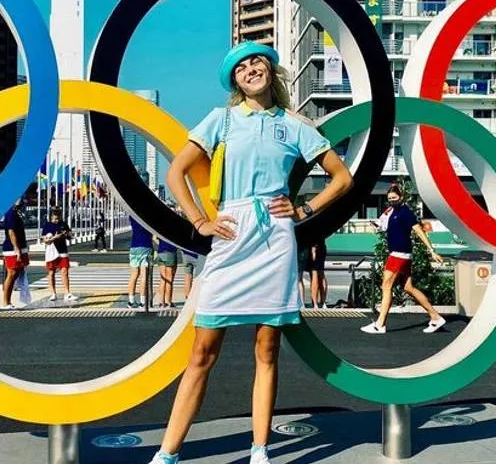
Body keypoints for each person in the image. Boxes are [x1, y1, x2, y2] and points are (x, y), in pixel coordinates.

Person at [146, 41, 352, 464]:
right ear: (235, 82)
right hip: (231, 232)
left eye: (256, 60)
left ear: (270, 71)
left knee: (267, 348)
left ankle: (260, 451)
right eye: (240, 66)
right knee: (203, 349)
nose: (249, 67)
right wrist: (200, 221)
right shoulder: (220, 119)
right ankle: (168, 453)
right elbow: (175, 172)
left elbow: (341, 177)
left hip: (275, 238)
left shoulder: (295, 125)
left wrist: (305, 208)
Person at [361, 184, 447, 335]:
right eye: (389, 199)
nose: (392, 201)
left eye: (394, 198)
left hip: (399, 254)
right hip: (401, 254)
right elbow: (385, 226)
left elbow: (419, 230)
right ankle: (435, 317)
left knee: (386, 286)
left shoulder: (405, 212)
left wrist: (431, 250)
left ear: (401, 197)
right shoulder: (392, 212)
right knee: (408, 287)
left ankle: (379, 325)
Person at [42, 209, 76, 302]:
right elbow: (45, 241)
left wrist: (68, 234)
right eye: (55, 219)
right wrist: (55, 237)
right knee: (51, 272)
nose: (57, 220)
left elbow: (70, 236)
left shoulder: (63, 224)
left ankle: (67, 293)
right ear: (51, 217)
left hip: (62, 251)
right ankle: (53, 293)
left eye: (59, 218)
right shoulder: (47, 226)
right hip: (51, 252)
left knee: (65, 271)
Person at [1, 203, 31, 308]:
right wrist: (16, 248)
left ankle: (8, 300)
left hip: (20, 248)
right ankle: (6, 302)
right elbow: (11, 232)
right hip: (12, 249)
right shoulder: (10, 214)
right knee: (12, 273)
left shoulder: (16, 213)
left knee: (16, 273)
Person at [126, 217, 153, 308]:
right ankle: (142, 302)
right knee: (143, 276)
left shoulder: (133, 217)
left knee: (133, 276)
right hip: (146, 246)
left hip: (134, 247)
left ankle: (131, 301)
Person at [155, 236, 178, 308]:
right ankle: (168, 302)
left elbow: (156, 238)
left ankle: (161, 302)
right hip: (170, 252)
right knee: (169, 279)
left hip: (160, 252)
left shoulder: (161, 227)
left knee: (163, 279)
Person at [308, 240, 328, 308]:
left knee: (314, 274)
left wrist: (313, 248)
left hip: (314, 246)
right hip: (322, 246)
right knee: (321, 274)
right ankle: (323, 302)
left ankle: (315, 303)